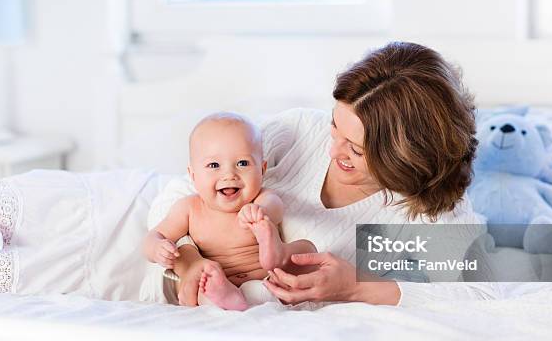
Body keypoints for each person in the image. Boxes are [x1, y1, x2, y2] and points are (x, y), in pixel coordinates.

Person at [147, 41, 494, 308]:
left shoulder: (424, 209)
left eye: (356, 150)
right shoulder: (297, 132)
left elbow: (480, 291)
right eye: (334, 127)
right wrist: (189, 260)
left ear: (404, 158)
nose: (332, 151)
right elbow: (178, 194)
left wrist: (357, 286)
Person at [142, 113, 316, 309]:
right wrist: (157, 247)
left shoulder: (261, 198)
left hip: (268, 277)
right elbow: (153, 236)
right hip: (219, 279)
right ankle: (226, 296)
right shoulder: (189, 208)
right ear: (193, 175)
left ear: (262, 169)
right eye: (214, 165)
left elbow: (275, 208)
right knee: (202, 285)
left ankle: (272, 259)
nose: (229, 174)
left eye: (242, 163)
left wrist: (260, 213)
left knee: (306, 249)